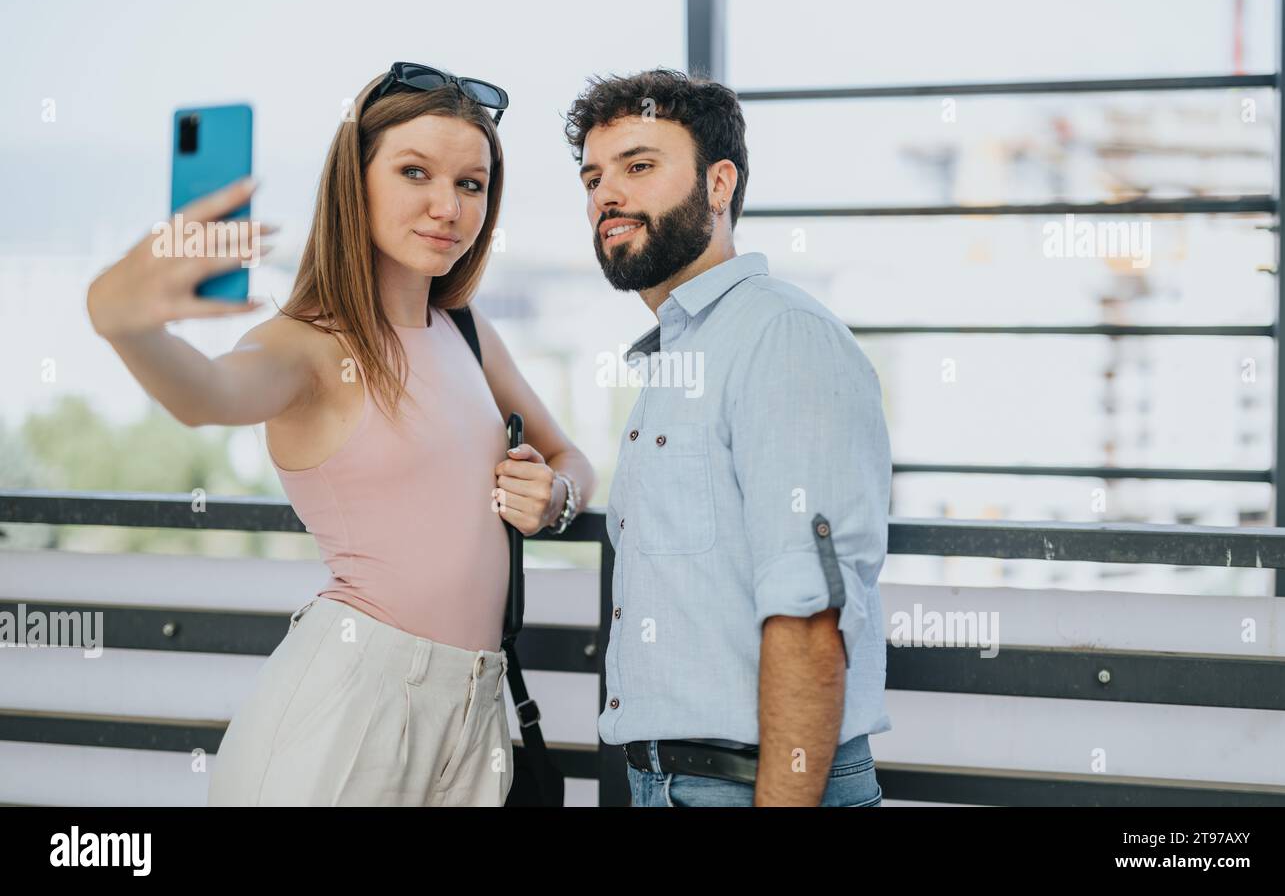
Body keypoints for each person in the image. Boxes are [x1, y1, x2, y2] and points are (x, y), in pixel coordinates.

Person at [86, 62, 596, 806]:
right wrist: (124, 323)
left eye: (470, 184)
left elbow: (569, 456)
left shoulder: (465, 330)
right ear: (354, 181)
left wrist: (556, 497)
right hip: (354, 709)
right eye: (414, 172)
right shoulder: (309, 345)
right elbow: (209, 395)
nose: (446, 206)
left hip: (476, 712)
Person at [566, 68, 892, 807]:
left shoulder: (782, 338)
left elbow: (810, 617)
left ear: (719, 185)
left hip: (754, 786)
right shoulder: (680, 354)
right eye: (593, 178)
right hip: (671, 783)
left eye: (639, 167)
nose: (606, 195)